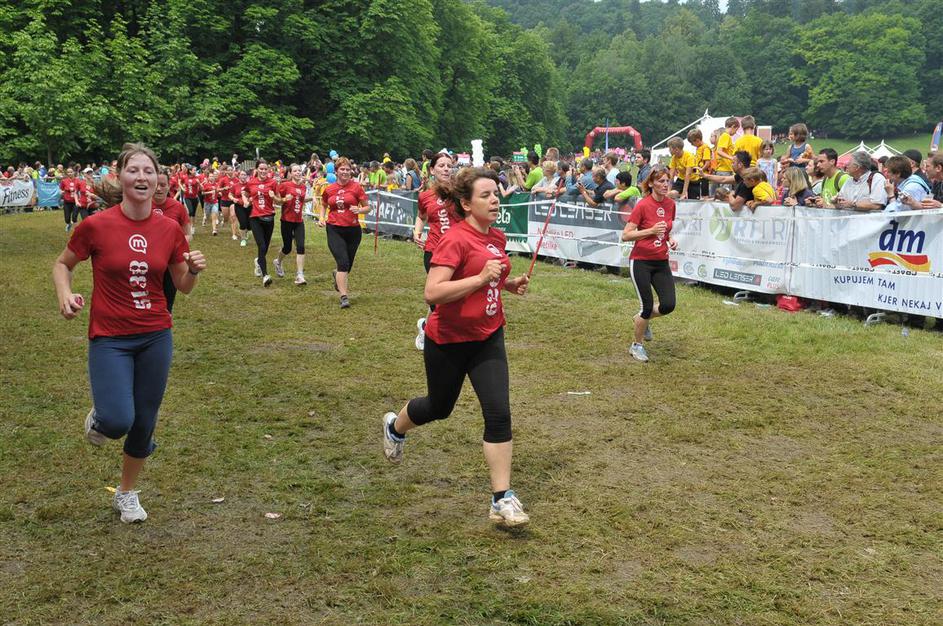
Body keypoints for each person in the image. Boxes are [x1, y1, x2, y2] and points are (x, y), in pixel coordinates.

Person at [52, 142, 206, 524]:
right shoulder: (96, 225)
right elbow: (62, 264)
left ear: (158, 180)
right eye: (133, 170)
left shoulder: (170, 229)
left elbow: (182, 286)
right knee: (119, 419)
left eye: (148, 171)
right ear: (120, 176)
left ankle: (127, 493)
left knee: (144, 420)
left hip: (156, 334)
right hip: (110, 337)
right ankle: (101, 419)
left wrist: (193, 270)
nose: (141, 176)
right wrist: (65, 294)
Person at [382, 167, 532, 527]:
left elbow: (488, 275)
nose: (495, 200)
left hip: (488, 336)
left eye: (496, 194)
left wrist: (507, 284)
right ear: (466, 204)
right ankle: (395, 427)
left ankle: (501, 498)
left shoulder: (496, 236)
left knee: (499, 413)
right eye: (486, 195)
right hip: (448, 340)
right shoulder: (454, 239)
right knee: (439, 407)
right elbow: (432, 292)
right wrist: (480, 278)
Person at [621, 167, 677, 363]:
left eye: (667, 181)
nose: (665, 185)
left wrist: (670, 239)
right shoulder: (643, 205)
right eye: (661, 181)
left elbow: (666, 229)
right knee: (646, 306)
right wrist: (650, 231)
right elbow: (626, 235)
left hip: (661, 261)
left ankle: (641, 320)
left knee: (668, 305)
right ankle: (636, 346)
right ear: (651, 183)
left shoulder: (671, 204)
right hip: (641, 261)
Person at [412, 152, 462, 348]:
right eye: (441, 165)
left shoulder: (460, 192)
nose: (446, 169)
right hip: (434, 250)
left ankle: (426, 327)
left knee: (454, 296)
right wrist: (417, 231)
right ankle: (440, 337)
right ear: (432, 170)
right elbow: (421, 216)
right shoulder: (425, 196)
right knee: (439, 298)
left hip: (459, 251)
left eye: (449, 165)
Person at [320, 156, 370, 308]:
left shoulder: (356, 187)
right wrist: (322, 217)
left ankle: (337, 275)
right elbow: (323, 203)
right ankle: (344, 296)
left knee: (348, 265)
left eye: (348, 169)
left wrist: (359, 210)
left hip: (353, 230)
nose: (345, 172)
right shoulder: (329, 189)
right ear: (336, 171)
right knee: (343, 262)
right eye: (342, 169)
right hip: (334, 228)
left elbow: (368, 207)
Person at [152, 168, 193, 313]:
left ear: (169, 186)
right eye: (155, 184)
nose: (158, 188)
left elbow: (188, 234)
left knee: (167, 302)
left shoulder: (177, 207)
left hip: (170, 263)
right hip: (146, 262)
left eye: (163, 185)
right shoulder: (141, 206)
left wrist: (174, 247)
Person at [243, 161, 279, 286]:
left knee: (266, 247)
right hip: (255, 217)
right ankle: (265, 275)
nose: (263, 171)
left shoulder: (273, 182)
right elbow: (245, 193)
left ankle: (258, 261)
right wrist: (246, 201)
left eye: (265, 169)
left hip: (269, 217)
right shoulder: (251, 182)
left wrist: (274, 197)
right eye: (261, 169)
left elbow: (279, 200)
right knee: (261, 246)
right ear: (257, 169)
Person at [274, 164, 308, 285]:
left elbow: (301, 199)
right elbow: (277, 201)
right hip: (286, 220)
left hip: (298, 221)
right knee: (287, 248)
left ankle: (300, 275)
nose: (298, 172)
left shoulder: (303, 187)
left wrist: (312, 198)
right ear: (291, 173)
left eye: (299, 170)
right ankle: (278, 262)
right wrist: (284, 199)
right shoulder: (285, 185)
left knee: (301, 246)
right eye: (295, 171)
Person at [230, 169, 250, 246]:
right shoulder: (235, 185)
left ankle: (246, 231)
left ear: (247, 176)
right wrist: (233, 199)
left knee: (250, 225)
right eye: (242, 174)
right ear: (239, 176)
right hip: (239, 206)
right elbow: (230, 194)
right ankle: (243, 239)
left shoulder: (250, 185)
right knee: (243, 223)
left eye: (245, 175)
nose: (243, 176)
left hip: (249, 206)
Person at [201, 170, 221, 235]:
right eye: (210, 176)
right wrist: (210, 192)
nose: (212, 177)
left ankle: (214, 230)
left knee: (214, 216)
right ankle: (205, 218)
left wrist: (219, 193)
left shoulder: (217, 184)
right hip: (207, 202)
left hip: (215, 202)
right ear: (208, 177)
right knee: (207, 216)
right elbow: (202, 193)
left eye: (212, 176)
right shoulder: (206, 184)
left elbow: (218, 192)